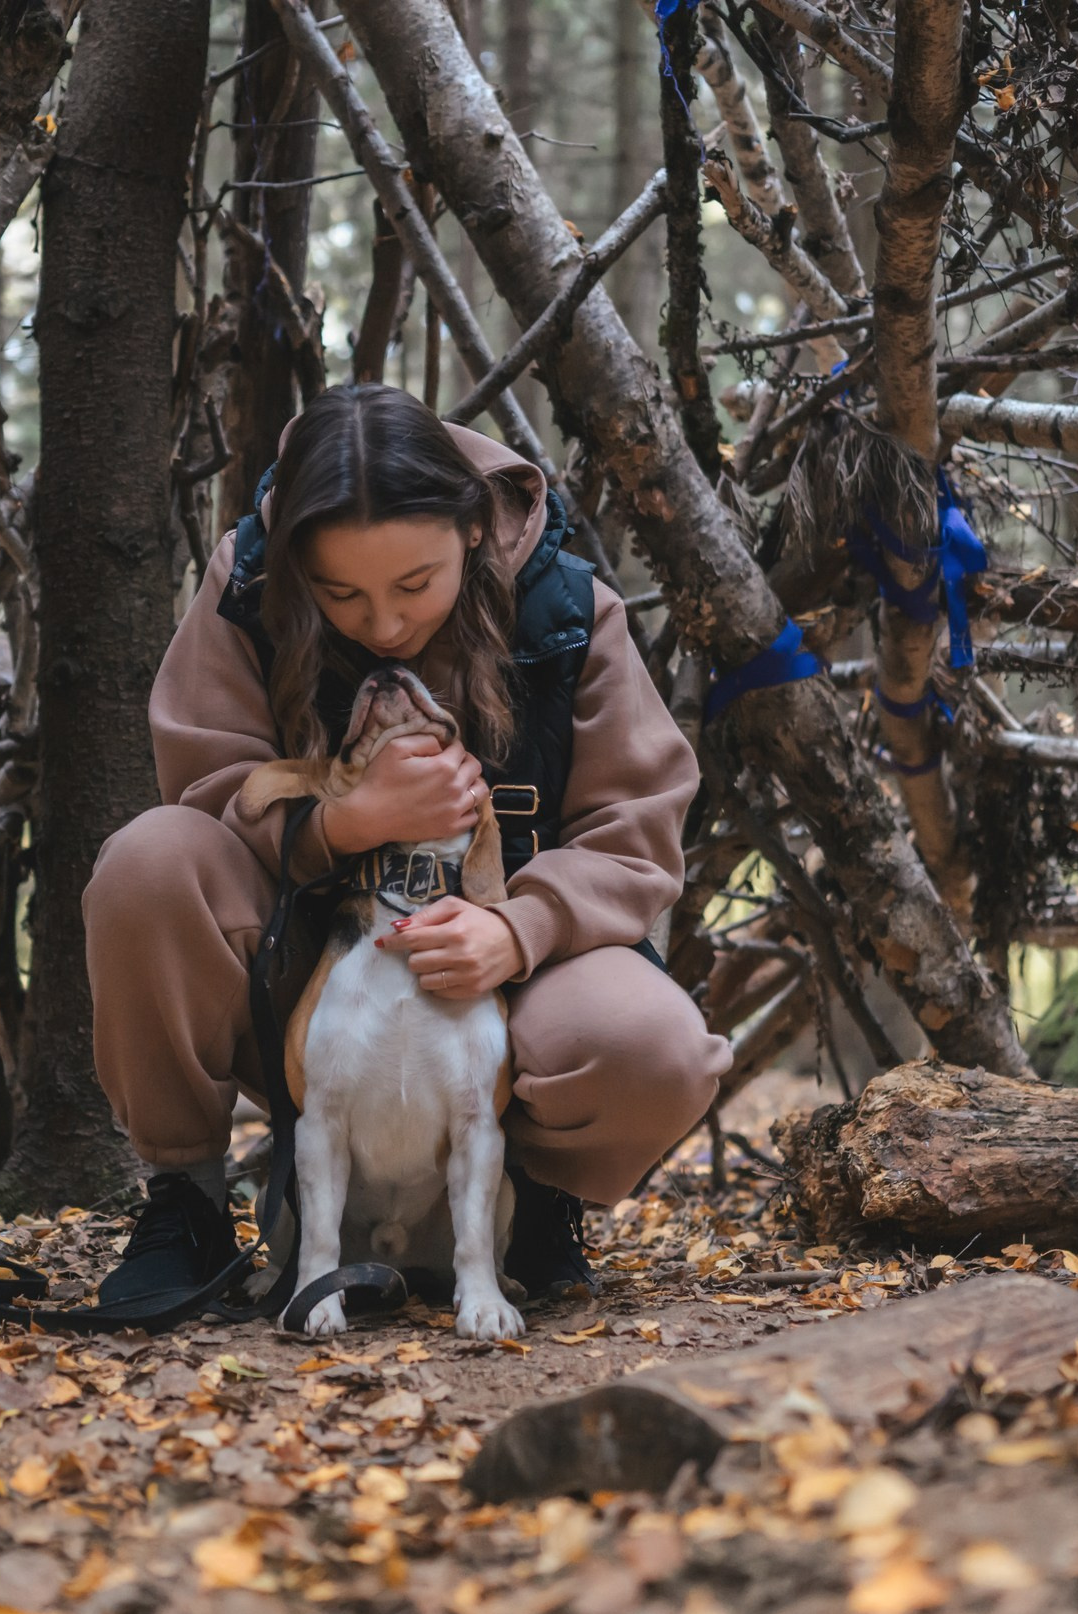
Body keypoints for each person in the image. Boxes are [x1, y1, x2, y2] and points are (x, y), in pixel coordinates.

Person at [84, 383, 731, 1305]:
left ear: (472, 530)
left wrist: (518, 928)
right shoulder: (250, 581)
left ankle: (532, 1197)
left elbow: (636, 832)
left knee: (653, 1045)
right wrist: (339, 824)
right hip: (303, 976)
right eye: (339, 592)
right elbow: (205, 790)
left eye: (415, 586)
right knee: (146, 865)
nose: (383, 625)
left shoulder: (565, 605)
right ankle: (185, 1200)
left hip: (507, 983)